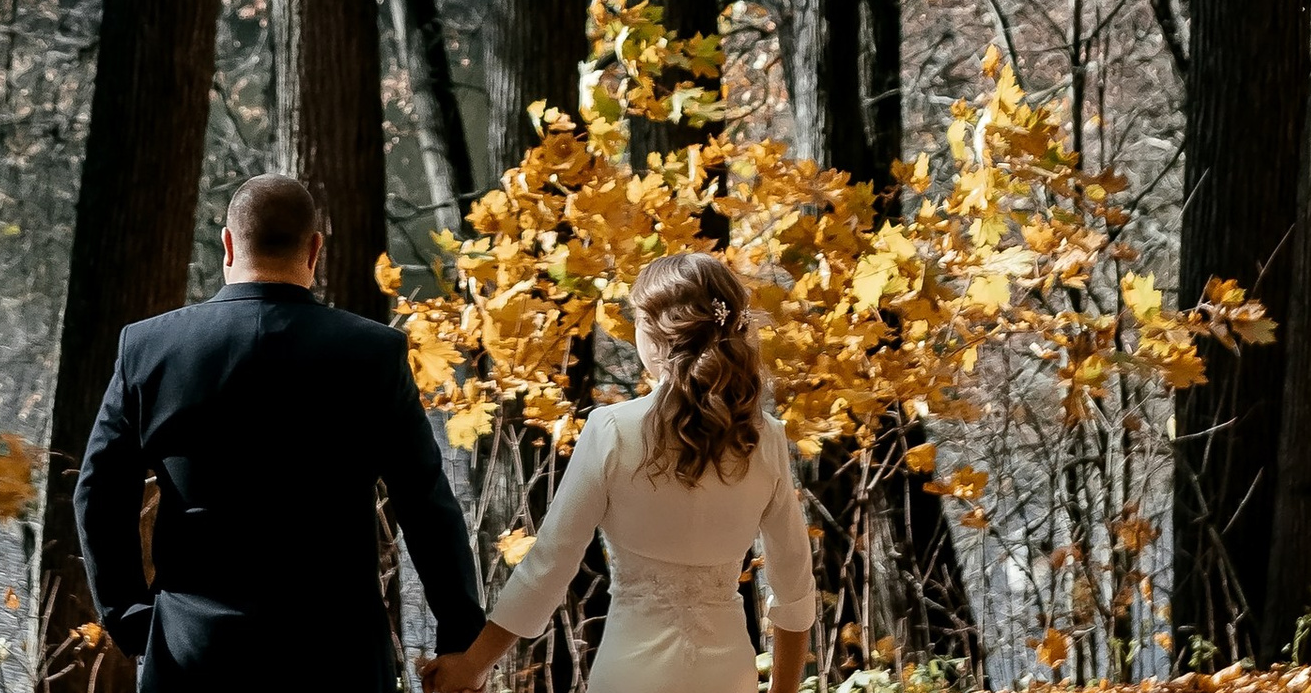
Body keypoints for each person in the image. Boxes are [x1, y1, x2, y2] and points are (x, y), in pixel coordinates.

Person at [74, 171, 489, 691]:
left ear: (227, 244)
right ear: (314, 249)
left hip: (192, 654)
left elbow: (98, 494)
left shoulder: (151, 349)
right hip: (337, 656)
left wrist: (133, 619)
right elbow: (426, 504)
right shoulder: (372, 354)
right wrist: (459, 639)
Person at [422, 251, 816, 693]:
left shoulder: (610, 430)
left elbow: (550, 564)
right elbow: (795, 589)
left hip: (629, 673)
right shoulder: (767, 441)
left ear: (653, 332)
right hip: (728, 676)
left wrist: (475, 664)